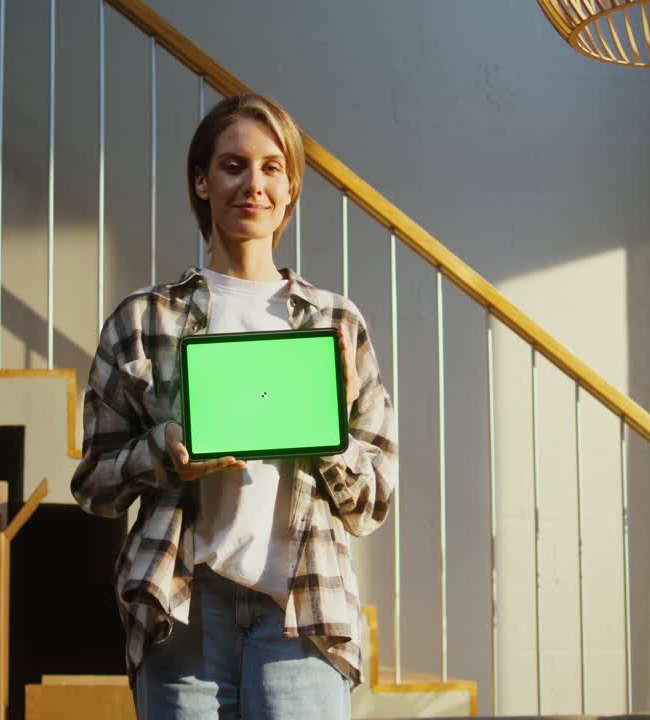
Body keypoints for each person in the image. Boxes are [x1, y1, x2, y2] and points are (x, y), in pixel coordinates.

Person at [71, 93, 398, 720]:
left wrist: (327, 432)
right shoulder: (143, 318)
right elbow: (93, 486)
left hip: (302, 612)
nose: (254, 184)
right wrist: (159, 454)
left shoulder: (335, 322)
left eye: (273, 167)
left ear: (291, 186)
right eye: (233, 166)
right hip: (183, 606)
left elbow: (374, 501)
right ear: (202, 180)